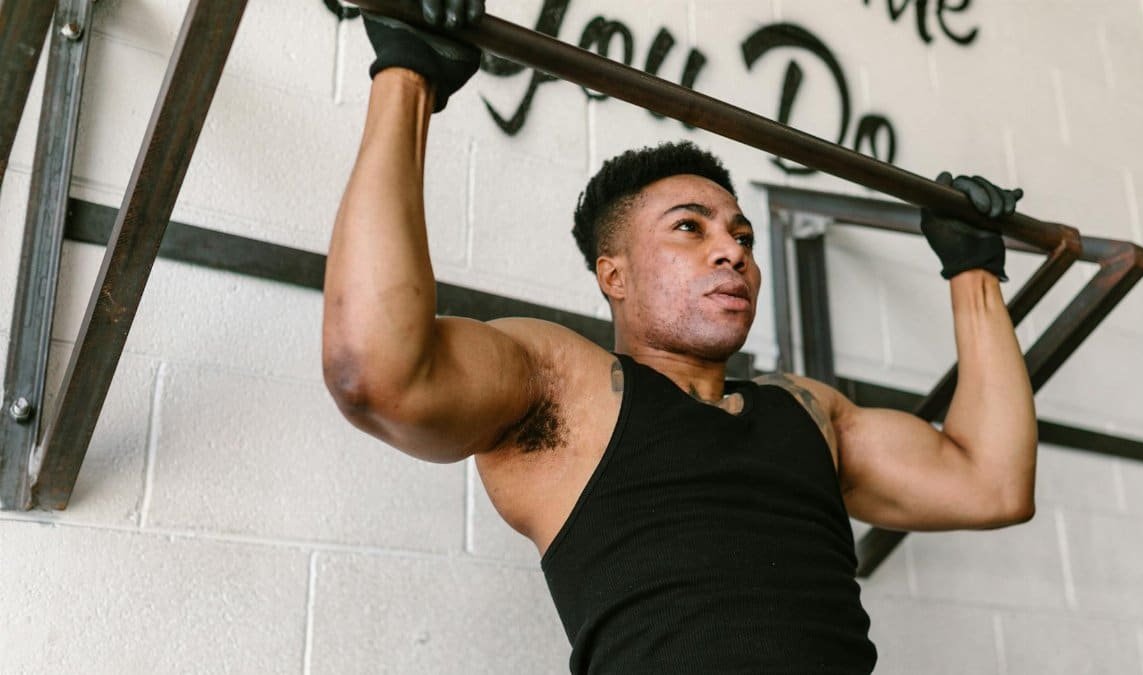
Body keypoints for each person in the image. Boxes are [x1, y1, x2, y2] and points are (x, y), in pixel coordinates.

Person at [322, 2, 1037, 673]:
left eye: (741, 235)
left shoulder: (810, 412)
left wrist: (971, 267)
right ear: (615, 274)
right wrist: (408, 73)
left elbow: (992, 482)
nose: (732, 252)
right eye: (690, 228)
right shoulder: (565, 388)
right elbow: (377, 371)